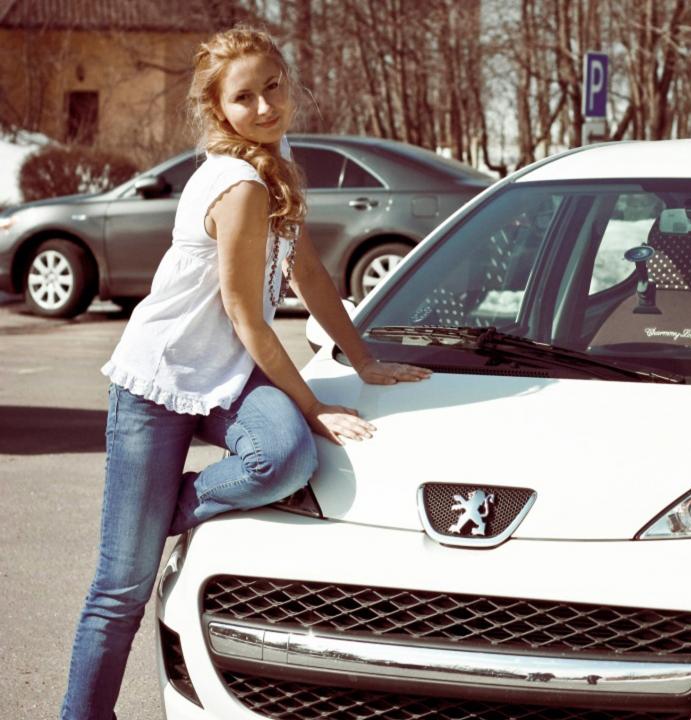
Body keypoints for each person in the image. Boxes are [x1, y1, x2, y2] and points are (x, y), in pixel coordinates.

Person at [60, 26, 430, 719]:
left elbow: (308, 270)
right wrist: (317, 406)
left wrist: (364, 358)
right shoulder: (238, 183)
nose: (264, 106)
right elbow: (245, 316)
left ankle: (155, 513)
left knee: (284, 455)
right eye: (243, 98)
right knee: (120, 591)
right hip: (158, 381)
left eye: (272, 87)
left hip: (227, 377)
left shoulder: (275, 160)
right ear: (217, 109)